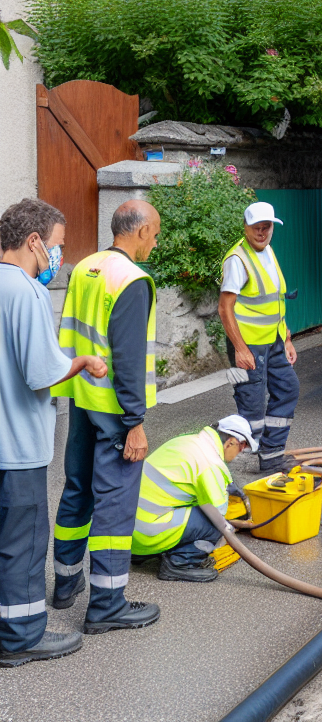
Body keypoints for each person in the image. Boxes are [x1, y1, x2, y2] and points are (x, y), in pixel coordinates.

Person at [0, 199, 107, 666]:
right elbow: (41, 372)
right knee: (23, 546)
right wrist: (82, 362)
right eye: (58, 246)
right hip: (19, 443)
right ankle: (21, 637)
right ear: (34, 242)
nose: (59, 258)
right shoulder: (24, 291)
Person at [52, 200, 161, 634]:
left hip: (81, 400)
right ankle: (107, 603)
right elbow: (128, 358)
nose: (155, 241)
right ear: (138, 232)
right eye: (154, 232)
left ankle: (65, 583)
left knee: (77, 487)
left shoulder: (86, 267)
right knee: (115, 504)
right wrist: (135, 421)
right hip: (116, 411)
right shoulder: (132, 280)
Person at [218, 201, 299, 473]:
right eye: (256, 228)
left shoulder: (269, 252)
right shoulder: (237, 260)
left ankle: (271, 457)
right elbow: (224, 307)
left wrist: (286, 339)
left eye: (266, 227)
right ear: (246, 227)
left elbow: (275, 302)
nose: (262, 233)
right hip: (248, 346)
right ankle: (220, 462)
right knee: (251, 409)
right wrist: (240, 349)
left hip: (273, 342)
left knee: (288, 389)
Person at [132, 415, 258, 580]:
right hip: (148, 533)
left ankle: (145, 553)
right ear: (231, 442)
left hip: (127, 531)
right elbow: (219, 515)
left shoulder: (188, 441)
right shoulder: (211, 464)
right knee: (214, 524)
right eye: (242, 446)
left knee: (189, 508)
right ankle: (180, 564)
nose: (241, 452)